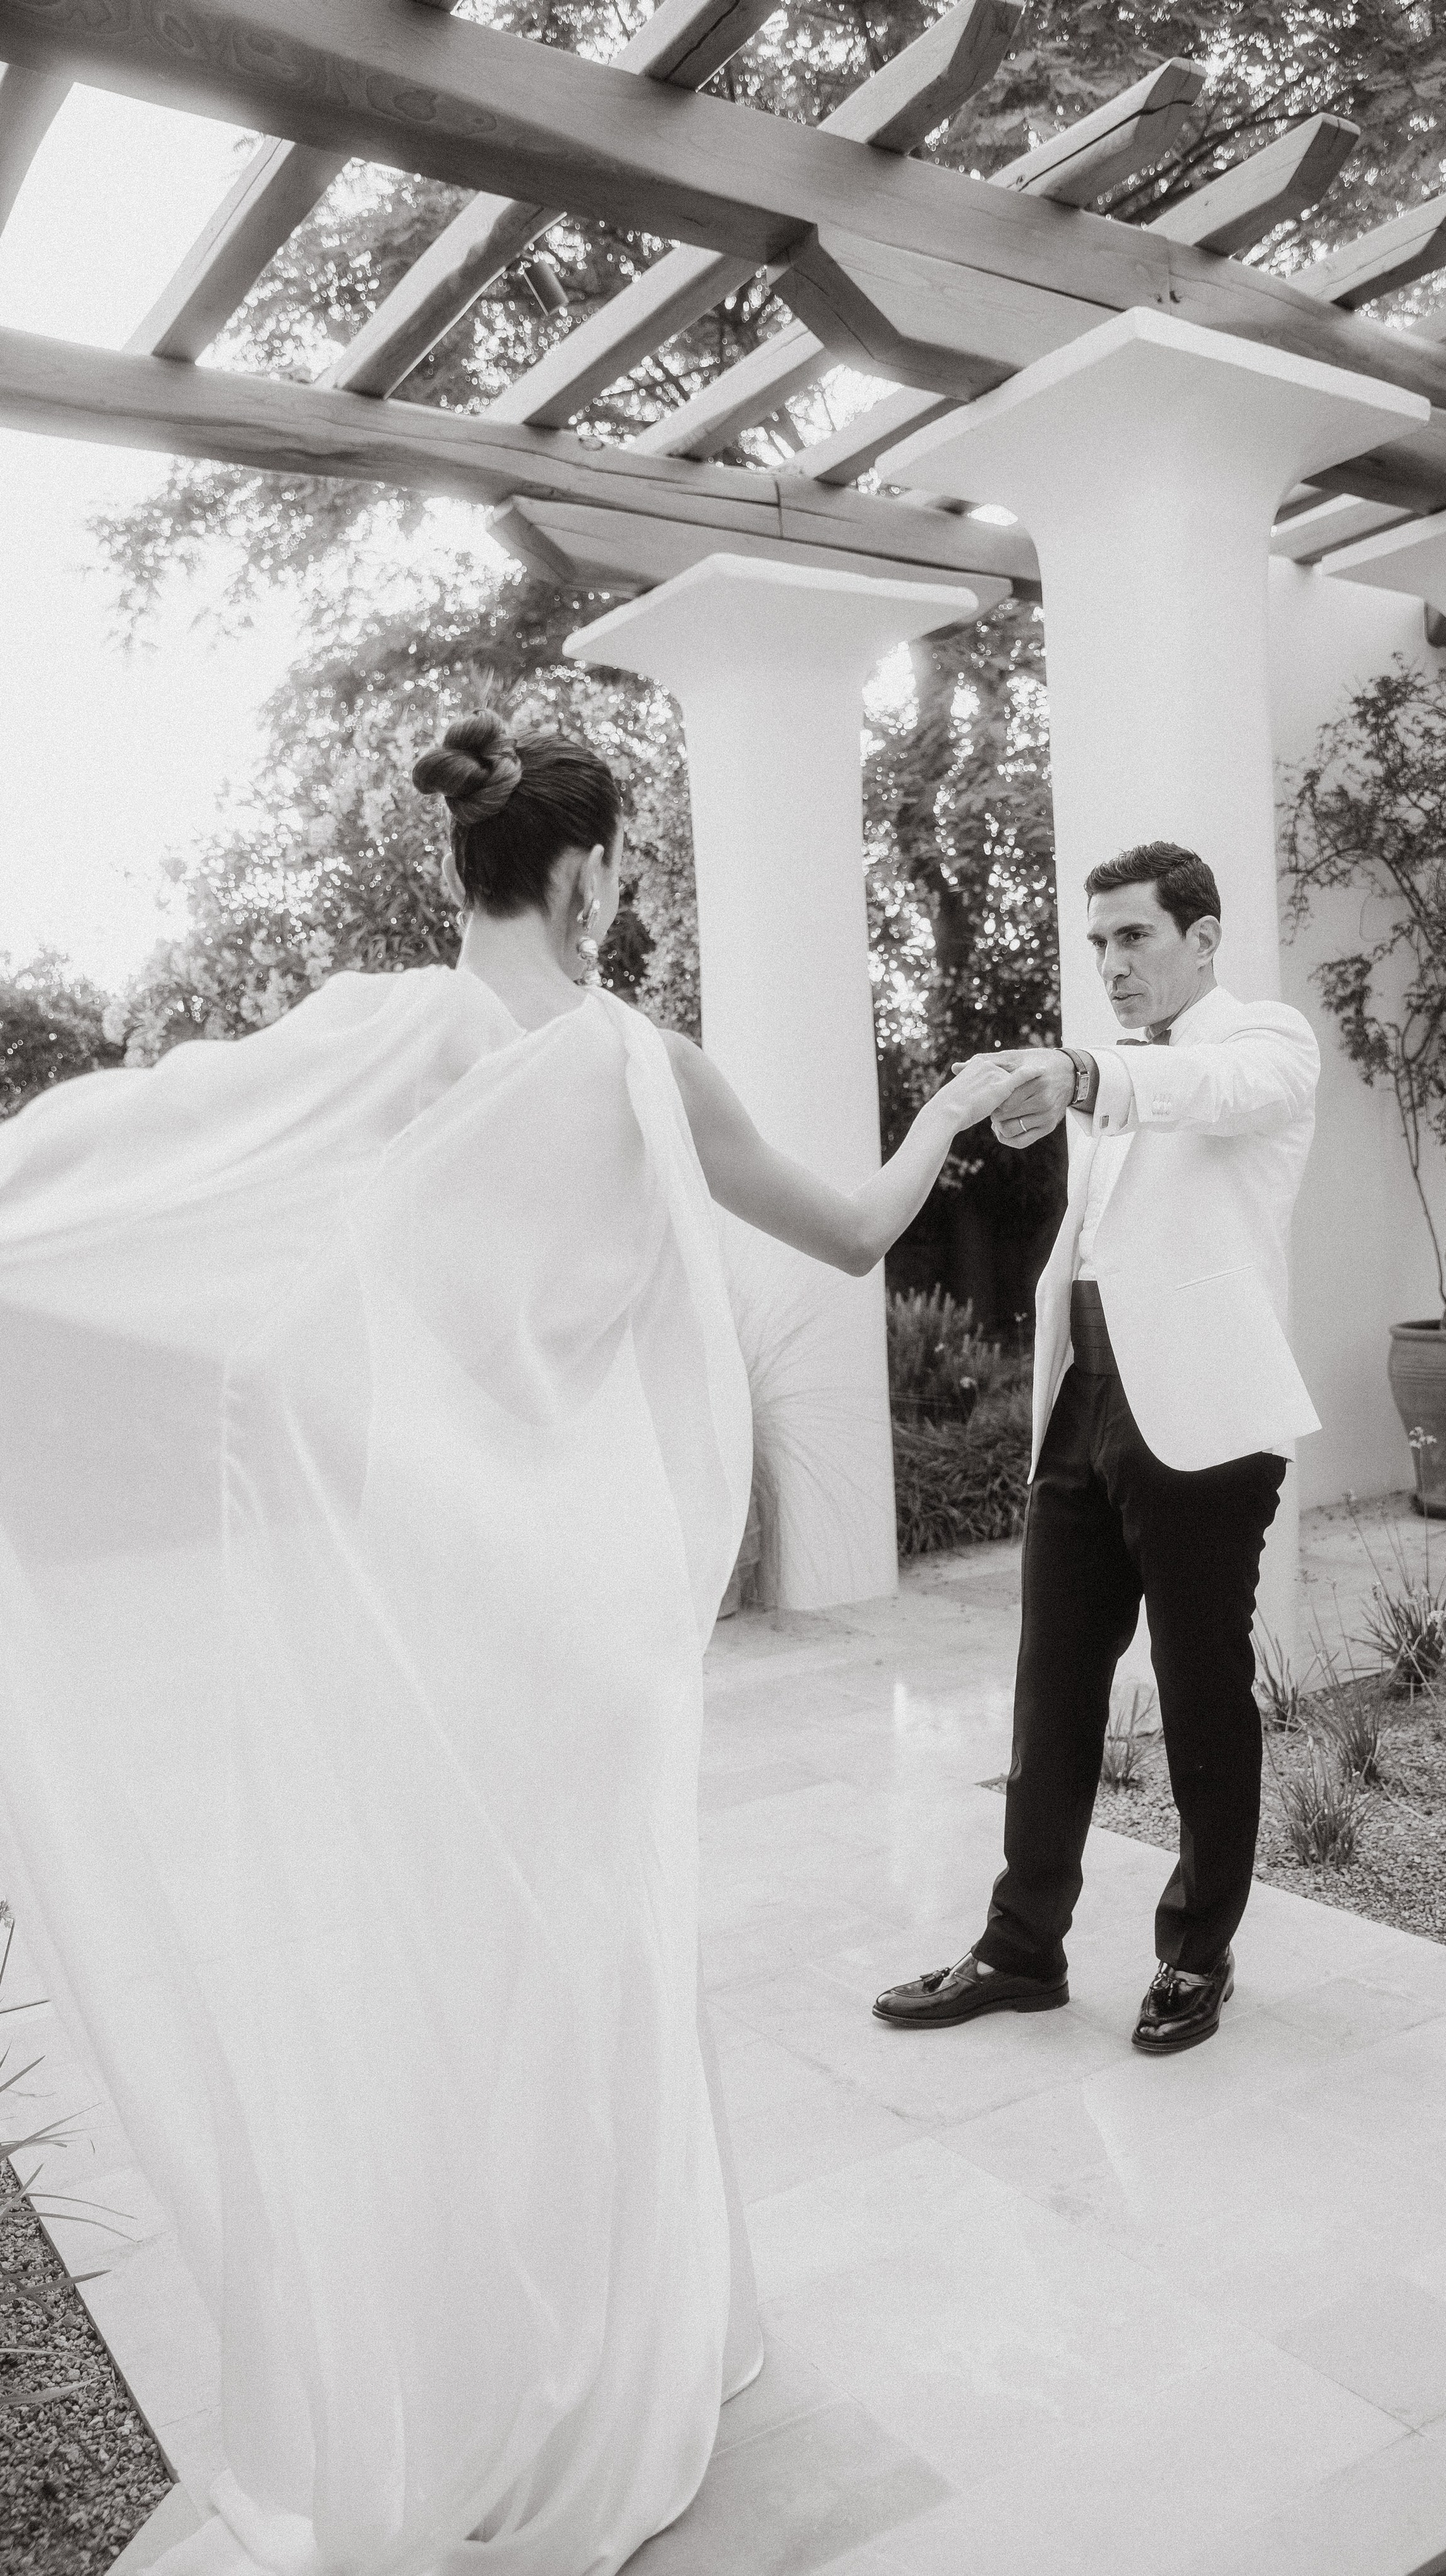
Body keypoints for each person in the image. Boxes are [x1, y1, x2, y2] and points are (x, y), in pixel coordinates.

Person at [0, 712, 1019, 2576]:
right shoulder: (647, 1067)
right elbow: (864, 1230)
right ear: (586, 879)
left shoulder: (373, 1043)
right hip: (589, 1621)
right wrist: (953, 1109)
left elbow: (144, 1149)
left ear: (455, 869)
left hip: (431, 1611)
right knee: (603, 1971)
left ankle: (479, 2362)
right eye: (619, 866)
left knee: (459, 1985)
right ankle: (627, 2343)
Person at [874, 841, 1321, 2056]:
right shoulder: (1113, 1074)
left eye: (1135, 936)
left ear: (1204, 936)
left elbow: (1210, 1096)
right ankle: (1022, 1949)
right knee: (1051, 1691)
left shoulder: (1268, 1045)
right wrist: (1084, 1079)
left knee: (1199, 1702)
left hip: (1206, 1433)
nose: (1113, 962)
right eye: (1100, 943)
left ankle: (1197, 1954)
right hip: (1084, 1411)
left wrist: (1083, 1071)